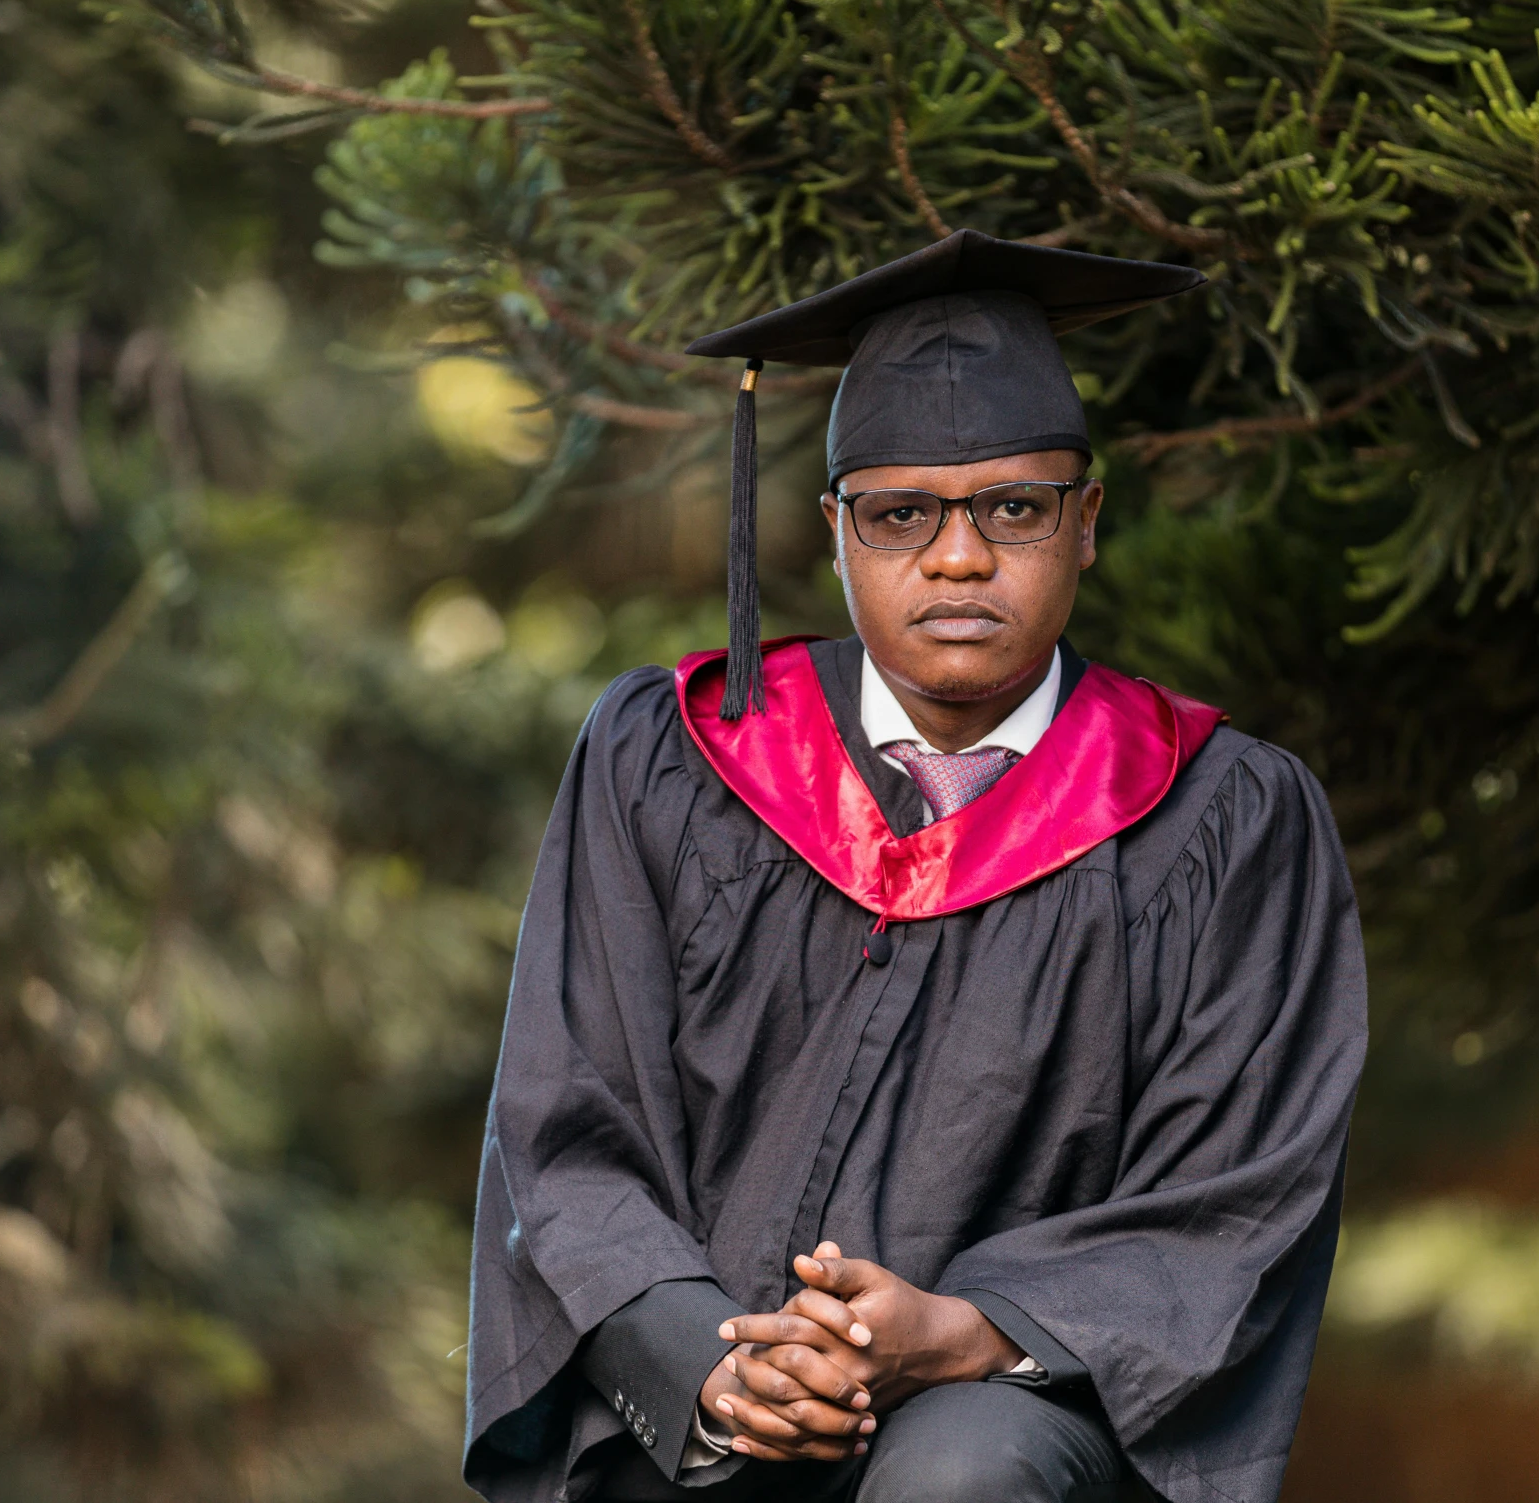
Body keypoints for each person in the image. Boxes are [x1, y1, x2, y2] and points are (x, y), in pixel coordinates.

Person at [463, 230, 1368, 1503]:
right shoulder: (669, 758)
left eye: (1014, 508)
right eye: (899, 514)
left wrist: (965, 1330)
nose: (956, 557)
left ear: (1086, 521)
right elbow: (565, 1124)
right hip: (706, 1409)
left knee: (961, 1473)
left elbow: (1233, 1189)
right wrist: (712, 1367)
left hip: (1016, 1419)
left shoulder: (1219, 815)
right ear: (837, 530)